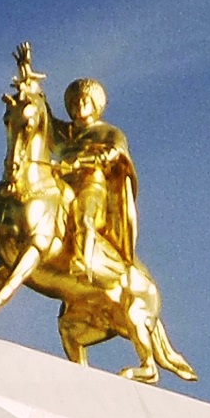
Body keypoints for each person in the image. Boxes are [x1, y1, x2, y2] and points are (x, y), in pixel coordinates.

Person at [52, 77, 138, 282]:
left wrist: (80, 162)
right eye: (74, 103)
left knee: (83, 218)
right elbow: (42, 116)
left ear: (94, 105)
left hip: (91, 185)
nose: (78, 106)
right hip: (62, 185)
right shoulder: (66, 133)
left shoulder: (109, 132)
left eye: (83, 101)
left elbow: (114, 153)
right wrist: (27, 78)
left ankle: (83, 262)